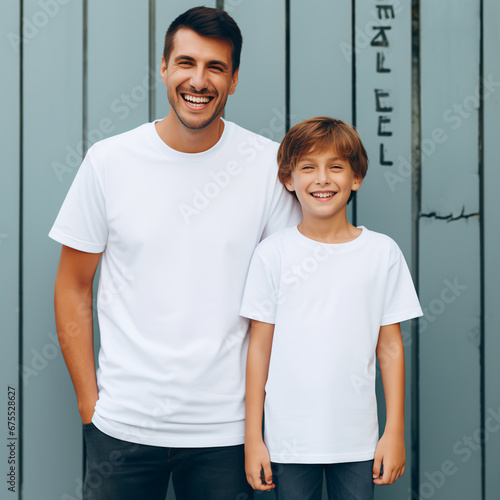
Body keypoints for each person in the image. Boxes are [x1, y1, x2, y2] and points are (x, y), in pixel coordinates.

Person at [49, 6, 299, 500]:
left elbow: (288, 298)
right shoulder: (109, 162)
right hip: (121, 427)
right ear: (163, 68)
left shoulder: (267, 166)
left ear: (233, 80)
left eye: (215, 67)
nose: (198, 80)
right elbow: (73, 286)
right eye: (185, 63)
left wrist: (262, 421)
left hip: (227, 434)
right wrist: (90, 405)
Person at [241, 117, 423, 500]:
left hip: (357, 442)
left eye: (335, 167)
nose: (322, 179)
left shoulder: (381, 253)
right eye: (308, 167)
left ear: (355, 178)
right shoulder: (272, 254)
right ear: (289, 180)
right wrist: (253, 438)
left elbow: (389, 347)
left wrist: (394, 432)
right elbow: (259, 348)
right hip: (286, 443)